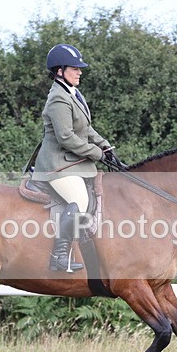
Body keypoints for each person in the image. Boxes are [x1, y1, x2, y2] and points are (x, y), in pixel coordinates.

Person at [30, 44, 125, 272]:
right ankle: (59, 255)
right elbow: (66, 137)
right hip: (57, 165)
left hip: (73, 163)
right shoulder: (58, 99)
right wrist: (96, 154)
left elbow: (86, 130)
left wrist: (106, 147)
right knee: (79, 202)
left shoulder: (73, 93)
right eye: (75, 68)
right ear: (60, 70)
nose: (80, 72)